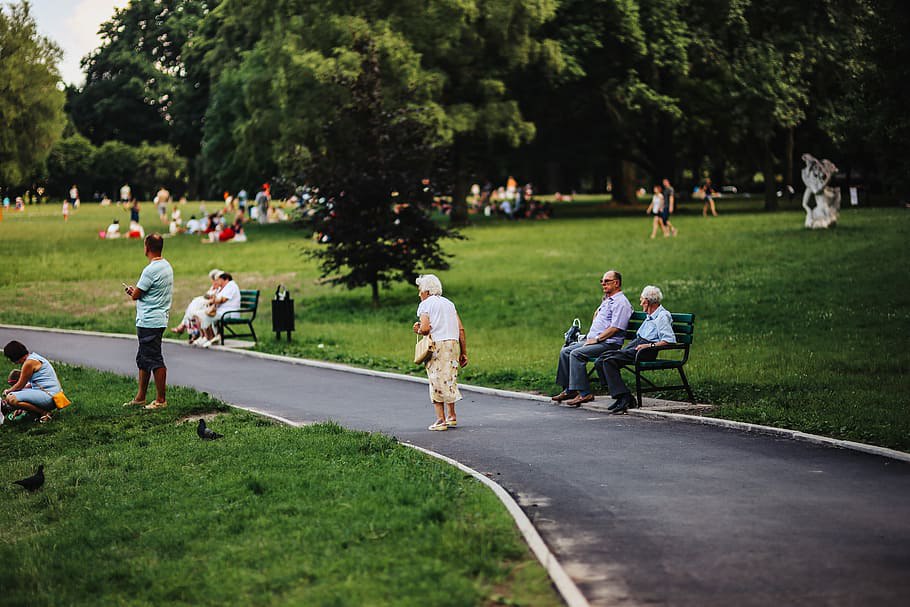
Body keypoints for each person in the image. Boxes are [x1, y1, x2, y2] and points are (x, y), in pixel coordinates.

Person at [552, 271, 633, 407]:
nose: (603, 284)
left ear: (616, 283)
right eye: (602, 281)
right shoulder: (608, 300)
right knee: (565, 351)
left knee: (576, 354)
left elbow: (616, 328)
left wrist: (597, 339)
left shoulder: (621, 303)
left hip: (608, 343)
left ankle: (585, 393)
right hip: (596, 340)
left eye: (607, 281)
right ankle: (570, 389)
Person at [595, 285, 677, 414]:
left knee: (609, 360)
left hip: (646, 351)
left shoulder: (662, 316)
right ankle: (621, 395)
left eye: (641, 300)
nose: (640, 303)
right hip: (637, 345)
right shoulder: (650, 315)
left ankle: (624, 398)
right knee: (601, 359)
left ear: (647, 301)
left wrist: (649, 346)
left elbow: (669, 340)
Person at [123, 234, 173, 410]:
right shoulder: (166, 266)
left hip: (149, 321)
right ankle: (140, 397)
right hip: (159, 318)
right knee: (144, 358)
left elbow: (136, 295)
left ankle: (161, 400)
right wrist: (137, 292)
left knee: (154, 359)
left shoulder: (150, 270)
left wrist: (132, 292)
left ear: (147, 247)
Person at [413, 274, 468, 431]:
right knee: (449, 378)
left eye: (420, 290)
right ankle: (452, 416)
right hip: (453, 344)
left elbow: (425, 329)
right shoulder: (449, 303)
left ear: (426, 291)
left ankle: (440, 420)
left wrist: (418, 329)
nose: (419, 294)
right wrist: (464, 352)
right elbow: (461, 329)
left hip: (437, 345)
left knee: (436, 380)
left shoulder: (425, 305)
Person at [2, 340, 68, 423]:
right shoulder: (34, 357)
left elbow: (20, 385)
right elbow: (31, 384)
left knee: (11, 398)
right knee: (16, 394)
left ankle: (44, 413)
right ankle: (30, 412)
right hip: (53, 395)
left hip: (50, 397)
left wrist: (8, 391)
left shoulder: (28, 363)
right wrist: (20, 403)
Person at [171, 268, 223, 338]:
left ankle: (186, 327)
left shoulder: (220, 288)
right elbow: (207, 295)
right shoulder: (213, 287)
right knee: (193, 307)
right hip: (207, 305)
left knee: (194, 308)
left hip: (211, 307)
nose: (213, 281)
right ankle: (190, 329)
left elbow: (215, 298)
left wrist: (209, 297)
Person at [194, 272, 241, 348]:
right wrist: (211, 299)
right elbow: (216, 299)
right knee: (197, 314)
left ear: (225, 279)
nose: (217, 282)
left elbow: (222, 299)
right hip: (220, 311)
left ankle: (210, 337)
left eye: (219, 280)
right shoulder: (222, 288)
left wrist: (211, 301)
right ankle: (208, 337)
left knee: (203, 315)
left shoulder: (231, 286)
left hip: (229, 312)